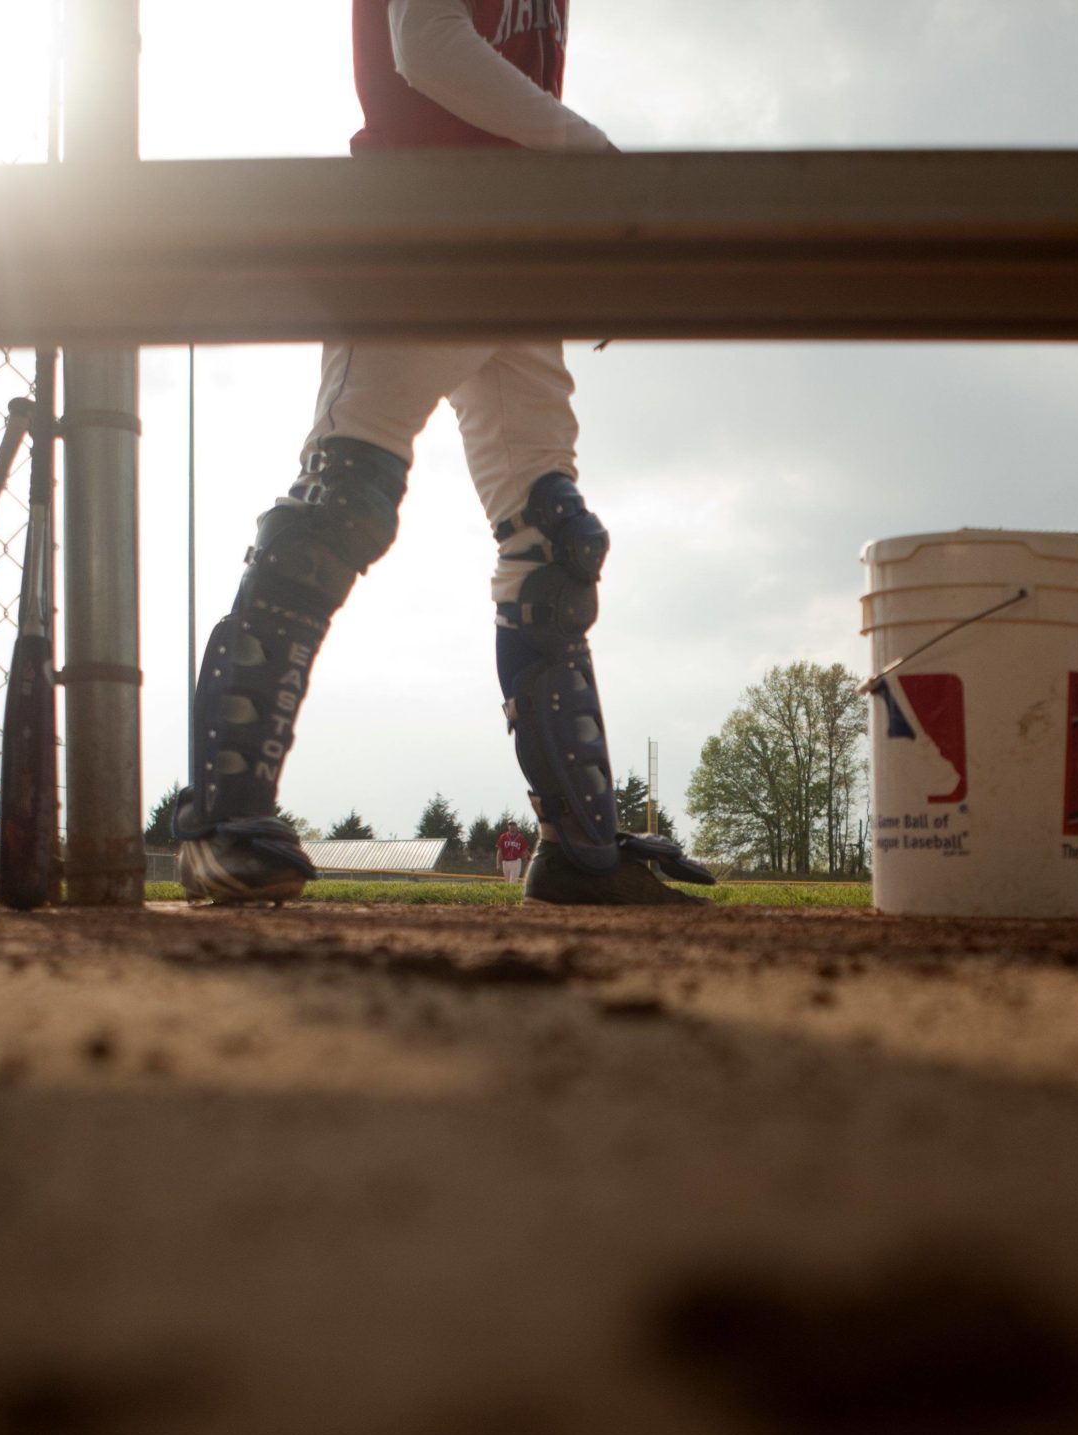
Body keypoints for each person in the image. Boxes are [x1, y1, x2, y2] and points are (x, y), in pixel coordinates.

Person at [174, 0, 713, 908]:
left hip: (520, 246)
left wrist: (582, 224)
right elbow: (424, 45)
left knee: (554, 543)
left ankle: (577, 847)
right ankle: (222, 823)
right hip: (414, 227)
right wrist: (596, 166)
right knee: (341, 504)